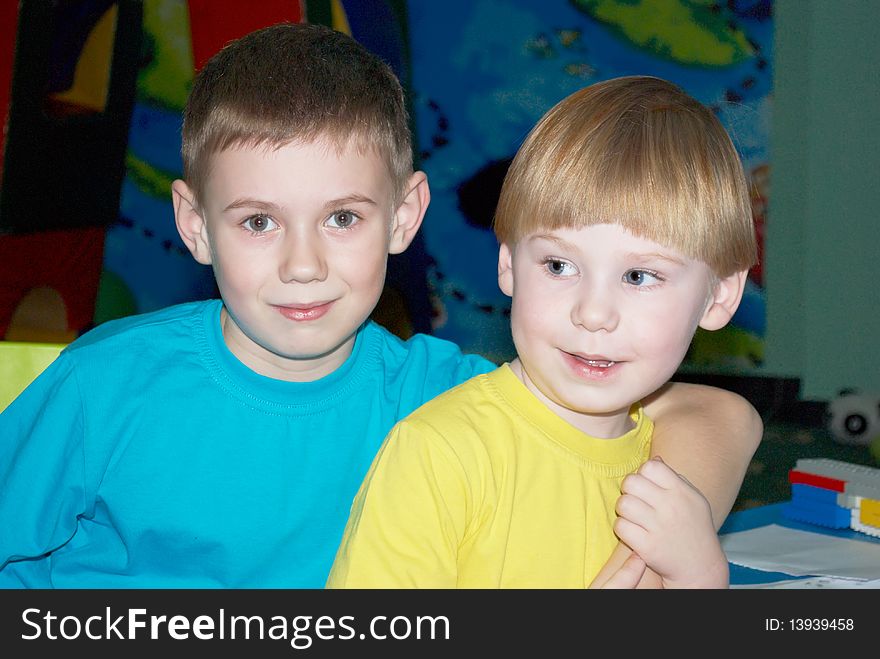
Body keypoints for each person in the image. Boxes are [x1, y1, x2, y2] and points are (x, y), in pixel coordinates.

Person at [0, 24, 760, 588]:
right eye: (259, 221)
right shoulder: (107, 384)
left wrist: (655, 563)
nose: (304, 265)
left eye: (343, 217)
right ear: (197, 226)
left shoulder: (434, 393)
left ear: (404, 216)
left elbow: (723, 416)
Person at [326, 76, 758, 589]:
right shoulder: (441, 454)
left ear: (720, 297)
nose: (593, 313)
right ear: (508, 264)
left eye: (640, 276)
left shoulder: (672, 469)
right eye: (558, 265)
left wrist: (700, 575)